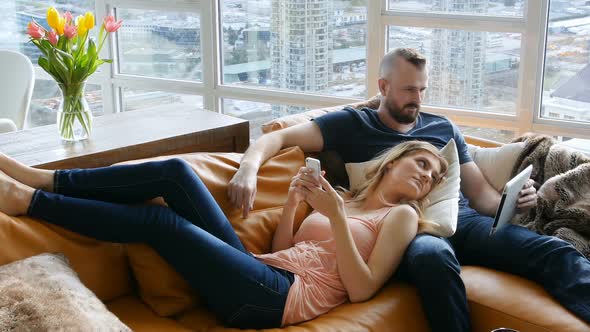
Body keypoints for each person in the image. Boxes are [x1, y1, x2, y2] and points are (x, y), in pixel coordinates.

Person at [228, 48, 590, 331]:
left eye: (421, 89)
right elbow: (277, 135)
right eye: (407, 90)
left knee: (553, 251)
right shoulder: (352, 125)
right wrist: (248, 168)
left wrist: (517, 202)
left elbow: (480, 196)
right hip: (405, 230)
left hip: (463, 221)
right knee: (432, 257)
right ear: (383, 87)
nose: (416, 99)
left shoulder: (442, 127)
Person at [0, 140, 447, 328]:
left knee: (160, 223)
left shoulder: (402, 217)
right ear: (393, 162)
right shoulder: (345, 197)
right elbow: (285, 252)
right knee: (175, 174)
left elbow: (363, 289)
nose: (428, 176)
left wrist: (331, 217)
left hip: (279, 301)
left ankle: (31, 202)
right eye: (422, 163)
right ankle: (47, 179)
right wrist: (294, 204)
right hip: (263, 272)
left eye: (435, 175)